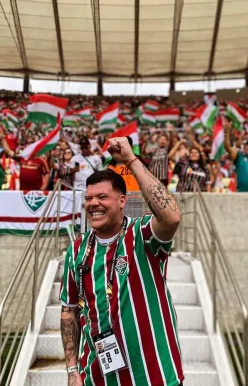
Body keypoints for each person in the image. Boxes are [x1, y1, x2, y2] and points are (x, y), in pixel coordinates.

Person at [59, 137, 184, 386]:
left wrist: (131, 160)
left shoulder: (143, 234)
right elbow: (69, 311)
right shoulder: (77, 250)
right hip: (97, 377)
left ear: (122, 201)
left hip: (155, 376)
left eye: (103, 197)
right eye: (89, 198)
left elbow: (171, 217)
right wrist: (73, 371)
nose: (93, 204)